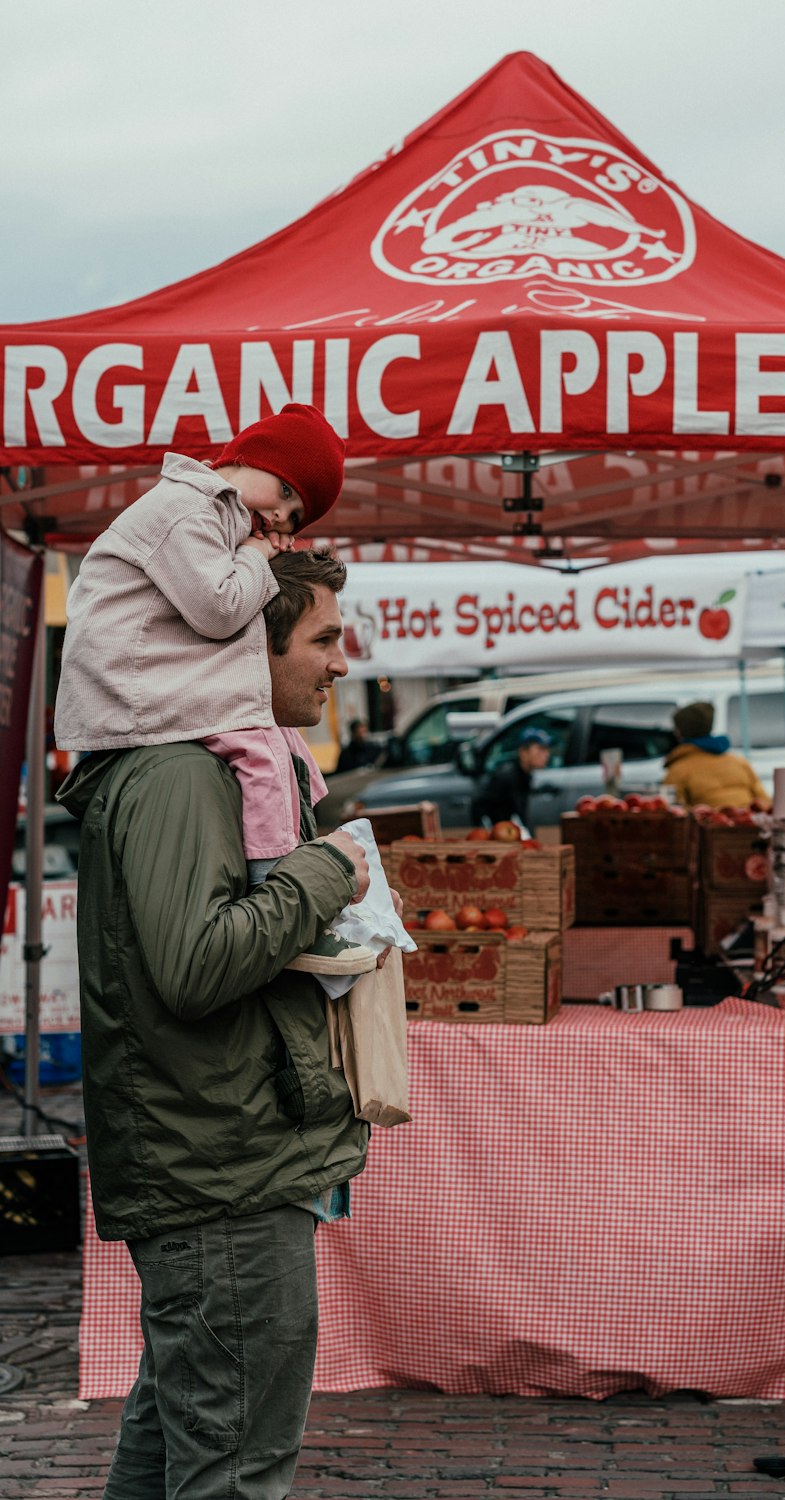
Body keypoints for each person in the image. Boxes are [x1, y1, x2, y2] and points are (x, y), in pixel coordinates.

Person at [57, 549, 399, 1498]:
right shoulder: (181, 773)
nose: (342, 661)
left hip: (220, 1158)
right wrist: (327, 872)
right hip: (220, 1173)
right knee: (236, 1468)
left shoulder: (212, 765)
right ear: (249, 644)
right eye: (323, 638)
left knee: (179, 1442)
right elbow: (198, 964)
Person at [54, 402, 371, 976]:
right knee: (265, 749)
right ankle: (280, 881)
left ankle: (289, 885)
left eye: (295, 517)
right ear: (249, 460)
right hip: (135, 693)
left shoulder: (210, 519)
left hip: (140, 691)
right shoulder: (185, 509)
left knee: (277, 749)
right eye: (285, 493)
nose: (279, 518)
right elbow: (220, 608)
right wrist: (254, 556)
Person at [663, 700, 770, 809]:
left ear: (679, 733)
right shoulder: (739, 762)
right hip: (747, 822)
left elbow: (673, 812)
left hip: (709, 824)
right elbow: (765, 802)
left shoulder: (677, 770)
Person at [471, 726, 551, 834]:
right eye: (541, 749)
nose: (546, 754)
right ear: (523, 752)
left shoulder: (524, 775)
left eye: (547, 749)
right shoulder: (507, 776)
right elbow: (482, 806)